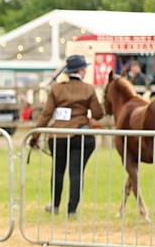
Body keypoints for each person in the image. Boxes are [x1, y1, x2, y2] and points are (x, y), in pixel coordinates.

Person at [29, 55, 104, 216]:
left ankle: (55, 206)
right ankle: (72, 210)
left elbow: (46, 114)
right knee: (76, 172)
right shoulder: (88, 89)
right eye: (84, 68)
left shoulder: (56, 88)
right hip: (81, 135)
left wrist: (35, 135)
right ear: (80, 70)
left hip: (59, 136)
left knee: (58, 170)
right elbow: (98, 114)